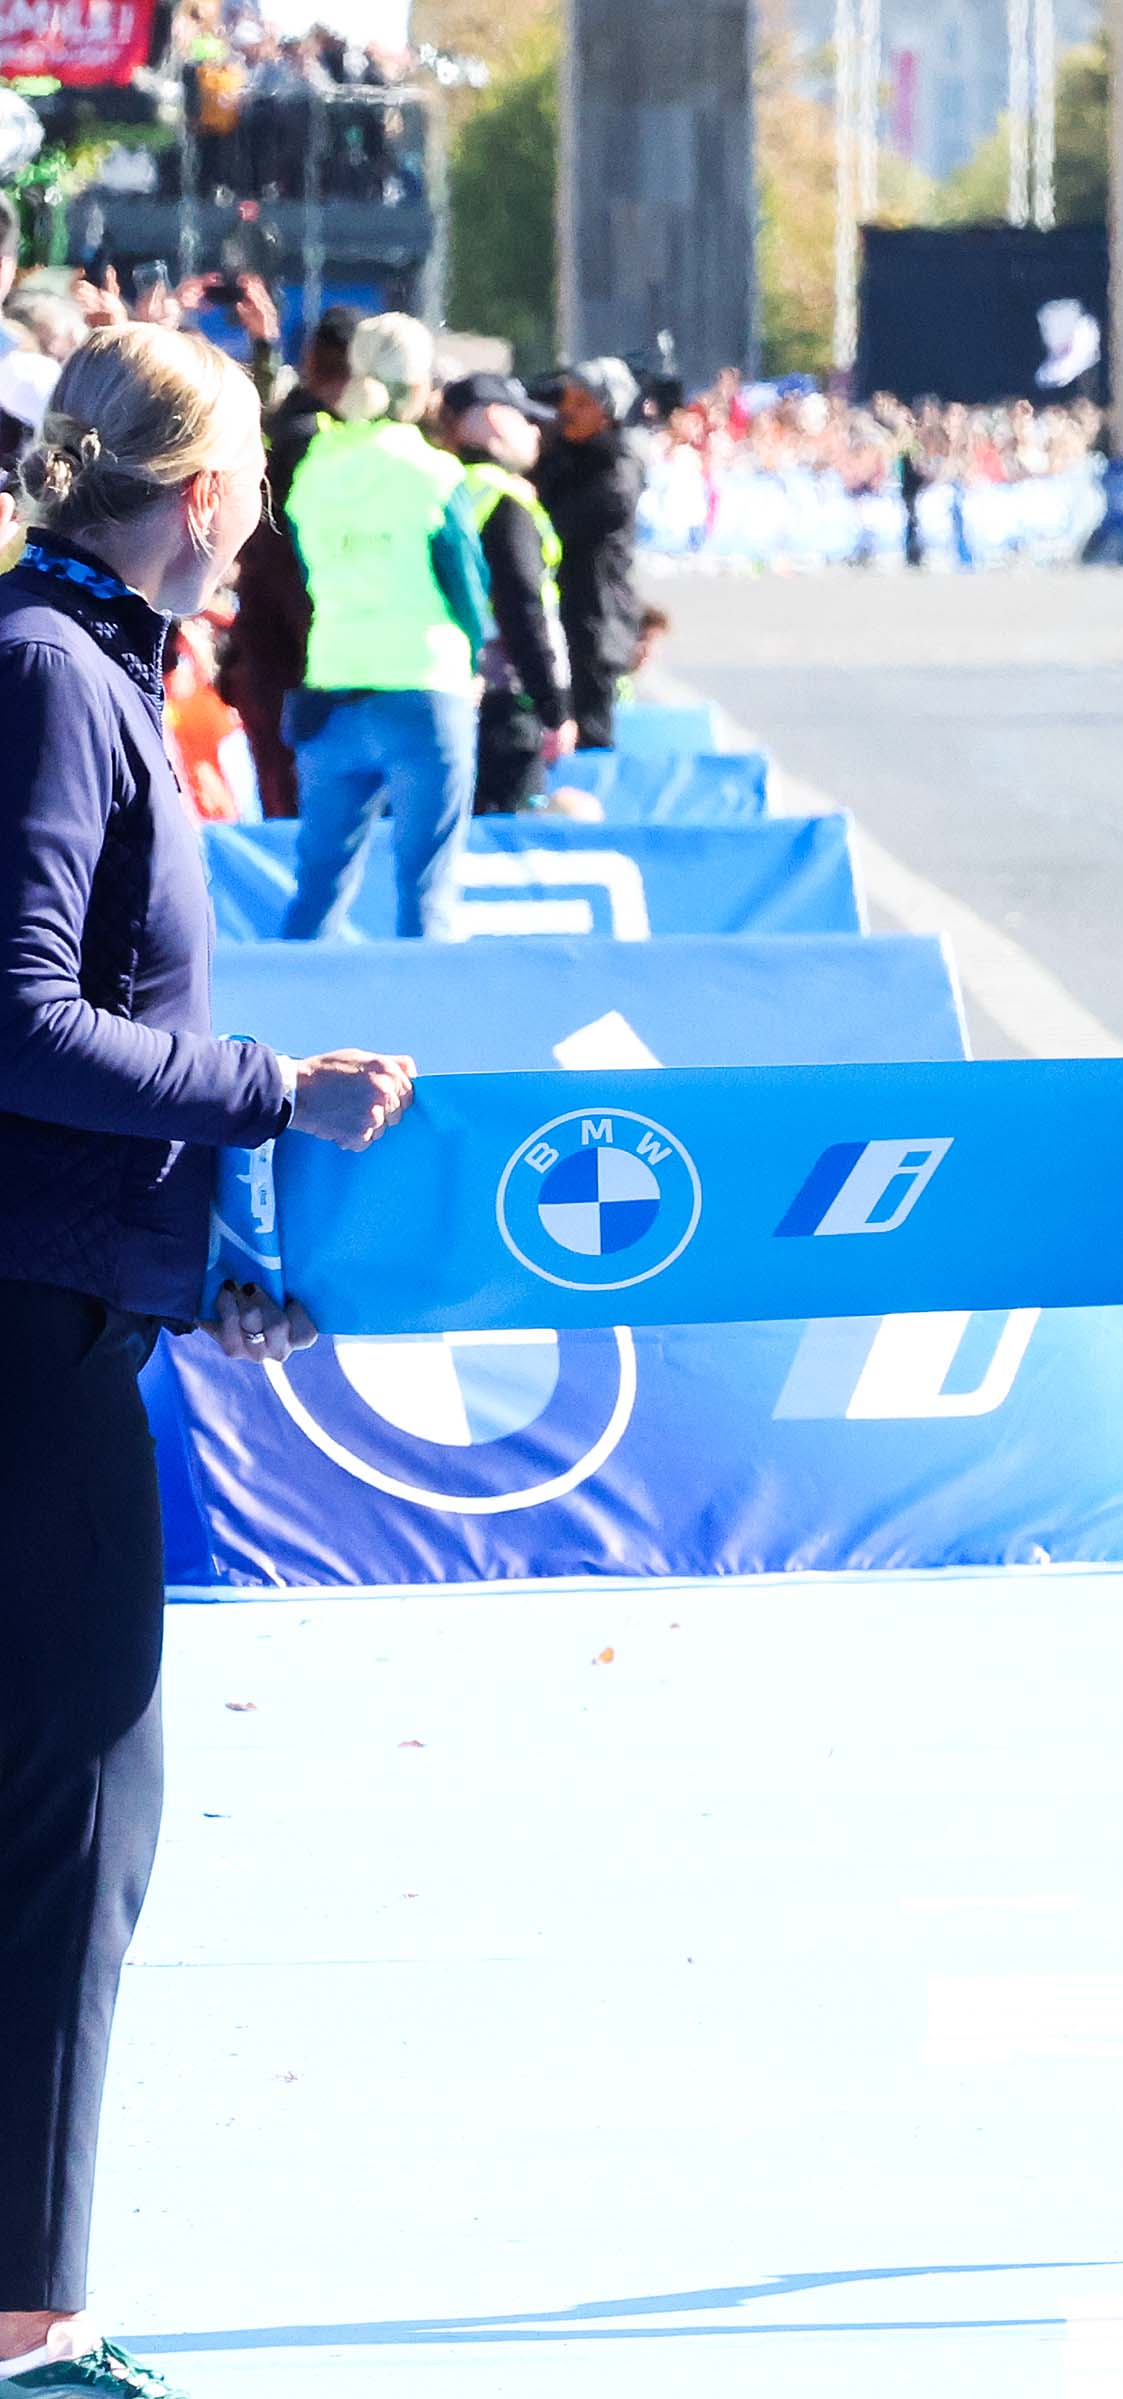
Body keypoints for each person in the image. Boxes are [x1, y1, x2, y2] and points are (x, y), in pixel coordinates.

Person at [0, 322, 415, 2399]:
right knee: (82, 1796)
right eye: (255, 484)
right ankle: (29, 2314)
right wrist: (272, 1095)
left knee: (67, 1794)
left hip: (70, 1295)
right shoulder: (53, 677)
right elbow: (19, 1022)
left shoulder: (77, 663)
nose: (259, 528)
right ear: (199, 491)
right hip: (22, 1319)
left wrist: (218, 1252)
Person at [277, 313, 492, 937]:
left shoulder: (314, 465)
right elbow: (467, 591)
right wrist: (475, 659)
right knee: (427, 895)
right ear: (420, 387)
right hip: (424, 688)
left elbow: (303, 568)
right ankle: (430, 1032)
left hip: (332, 685)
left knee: (316, 894)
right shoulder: (435, 473)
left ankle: (284, 1026)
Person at [216, 303, 353, 821]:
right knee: (310, 814)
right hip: (302, 660)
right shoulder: (316, 441)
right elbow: (288, 565)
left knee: (292, 805)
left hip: (273, 653)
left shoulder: (288, 428)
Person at [436, 371, 573, 814]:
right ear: (495, 420)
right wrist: (554, 708)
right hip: (505, 704)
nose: (536, 432)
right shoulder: (505, 500)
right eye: (526, 420)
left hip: (439, 692)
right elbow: (523, 609)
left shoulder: (434, 486)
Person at [534, 356, 643, 753]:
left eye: (581, 403)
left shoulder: (618, 468)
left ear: (607, 412)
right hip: (560, 616)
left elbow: (555, 525)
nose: (567, 412)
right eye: (567, 401)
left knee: (590, 738)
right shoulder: (560, 455)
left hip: (595, 623)